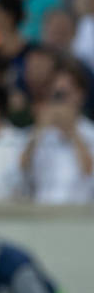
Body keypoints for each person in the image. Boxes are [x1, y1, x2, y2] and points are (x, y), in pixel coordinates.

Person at [20, 58, 94, 205]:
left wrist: (73, 132)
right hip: (42, 213)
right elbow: (22, 170)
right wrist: (39, 130)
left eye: (64, 94)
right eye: (56, 95)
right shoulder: (38, 132)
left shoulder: (90, 132)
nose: (60, 102)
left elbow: (89, 173)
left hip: (79, 216)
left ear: (80, 95)